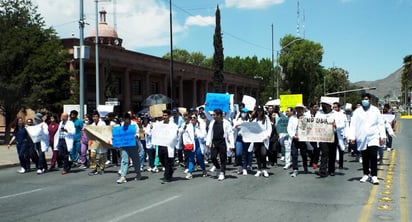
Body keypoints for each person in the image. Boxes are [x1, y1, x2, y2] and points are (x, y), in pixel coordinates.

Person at [348, 93, 386, 185]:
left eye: (367, 99)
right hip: (362, 137)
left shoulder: (375, 110)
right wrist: (351, 137)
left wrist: (382, 136)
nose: (365, 101)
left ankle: (374, 176)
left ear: (370, 100)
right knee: (365, 156)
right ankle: (365, 174)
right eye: (364, 99)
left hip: (373, 136)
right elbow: (353, 125)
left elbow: (380, 124)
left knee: (373, 155)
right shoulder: (357, 112)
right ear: (361, 100)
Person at [205, 109, 235, 181]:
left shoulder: (226, 123)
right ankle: (218, 168)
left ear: (219, 115)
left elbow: (230, 134)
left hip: (223, 142)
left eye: (214, 115)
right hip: (214, 142)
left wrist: (232, 145)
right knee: (213, 157)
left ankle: (222, 173)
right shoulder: (212, 123)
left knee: (223, 158)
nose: (213, 116)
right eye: (213, 115)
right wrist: (207, 143)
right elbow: (209, 133)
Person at [116, 112, 143, 184]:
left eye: (126, 119)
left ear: (129, 119)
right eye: (124, 119)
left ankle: (138, 173)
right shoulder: (122, 124)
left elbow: (138, 133)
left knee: (135, 160)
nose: (125, 121)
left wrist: (136, 136)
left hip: (133, 144)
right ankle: (123, 176)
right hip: (124, 145)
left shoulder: (134, 124)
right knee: (124, 160)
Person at [179, 113, 208, 179]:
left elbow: (204, 134)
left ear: (196, 118)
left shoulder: (200, 124)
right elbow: (180, 131)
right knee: (191, 158)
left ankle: (204, 169)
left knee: (199, 157)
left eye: (194, 117)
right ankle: (190, 172)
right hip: (190, 144)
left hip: (198, 143)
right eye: (191, 117)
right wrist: (183, 128)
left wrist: (198, 135)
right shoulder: (186, 125)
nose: (192, 119)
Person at [250, 105, 272, 178]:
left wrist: (267, 136)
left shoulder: (266, 119)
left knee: (263, 154)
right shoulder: (255, 120)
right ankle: (259, 169)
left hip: (264, 140)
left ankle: (264, 169)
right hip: (256, 140)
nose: (259, 112)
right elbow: (251, 128)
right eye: (258, 111)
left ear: (263, 111)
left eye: (260, 111)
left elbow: (269, 128)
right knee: (257, 154)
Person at [288, 104, 308, 177]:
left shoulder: (306, 118)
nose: (299, 110)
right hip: (295, 138)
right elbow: (289, 128)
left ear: (302, 109)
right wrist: (293, 135)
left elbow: (309, 128)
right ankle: (295, 169)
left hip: (303, 139)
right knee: (294, 154)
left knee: (304, 154)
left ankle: (305, 166)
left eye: (300, 109)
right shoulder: (292, 118)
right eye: (297, 109)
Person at [233, 107, 252, 175]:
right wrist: (238, 124)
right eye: (242, 112)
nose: (243, 114)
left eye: (245, 112)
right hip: (239, 138)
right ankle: (240, 165)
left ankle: (244, 167)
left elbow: (250, 127)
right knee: (238, 153)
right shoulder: (238, 119)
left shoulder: (249, 120)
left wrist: (242, 125)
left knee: (245, 153)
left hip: (247, 138)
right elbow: (234, 126)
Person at [88, 111, 107, 175]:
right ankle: (94, 168)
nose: (94, 118)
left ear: (98, 117)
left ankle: (102, 168)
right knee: (92, 155)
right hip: (94, 141)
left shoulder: (102, 123)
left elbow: (105, 131)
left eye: (96, 116)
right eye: (93, 116)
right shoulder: (92, 124)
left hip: (101, 141)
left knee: (101, 156)